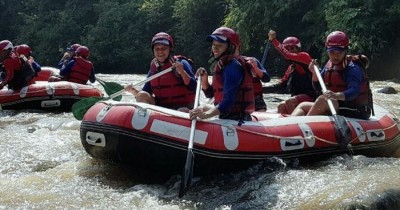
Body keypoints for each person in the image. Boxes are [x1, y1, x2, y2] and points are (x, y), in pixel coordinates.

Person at [291, 31, 372, 120]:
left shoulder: (353, 68)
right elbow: (318, 88)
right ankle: (289, 125)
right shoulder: (329, 65)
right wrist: (314, 72)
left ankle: (304, 123)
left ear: (345, 50)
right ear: (327, 50)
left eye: (339, 52)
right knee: (302, 106)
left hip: (356, 110)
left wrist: (335, 95)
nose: (335, 56)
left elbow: (354, 91)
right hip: (337, 106)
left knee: (323, 100)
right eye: (332, 52)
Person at [189, 27, 255, 122]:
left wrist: (205, 115)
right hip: (227, 115)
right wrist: (204, 80)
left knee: (204, 110)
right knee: (202, 106)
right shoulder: (223, 65)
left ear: (231, 47)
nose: (215, 48)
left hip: (237, 119)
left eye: (219, 45)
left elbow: (228, 102)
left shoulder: (233, 66)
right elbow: (211, 94)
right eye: (214, 44)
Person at [124, 32, 197, 111]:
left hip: (184, 107)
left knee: (182, 110)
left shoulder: (182, 63)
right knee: (142, 95)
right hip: (162, 108)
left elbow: (195, 87)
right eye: (157, 49)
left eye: (164, 48)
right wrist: (133, 91)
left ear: (170, 49)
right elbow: (146, 92)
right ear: (153, 50)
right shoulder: (154, 68)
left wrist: (182, 72)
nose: (160, 51)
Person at [268, 30, 317, 114]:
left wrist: (274, 40)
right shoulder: (290, 68)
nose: (290, 50)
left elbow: (287, 55)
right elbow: (280, 86)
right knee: (281, 106)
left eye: (292, 48)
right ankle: (284, 125)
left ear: (298, 48)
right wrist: (259, 89)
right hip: (296, 98)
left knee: (289, 102)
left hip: (311, 97)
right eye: (287, 48)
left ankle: (296, 122)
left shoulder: (304, 57)